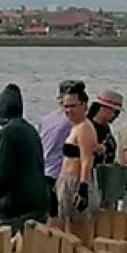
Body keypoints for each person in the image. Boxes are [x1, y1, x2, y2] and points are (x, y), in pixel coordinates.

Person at [0, 83, 49, 230]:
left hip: (18, 204)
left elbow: (5, 175)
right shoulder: (30, 130)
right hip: (40, 201)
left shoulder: (7, 132)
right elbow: (25, 161)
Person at [52, 84, 98, 243]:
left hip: (76, 181)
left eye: (73, 106)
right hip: (66, 180)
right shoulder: (76, 127)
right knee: (64, 224)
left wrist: (83, 190)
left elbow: (86, 160)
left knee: (78, 229)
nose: (68, 111)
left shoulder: (84, 127)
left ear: (84, 105)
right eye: (65, 107)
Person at [38, 80, 82, 217]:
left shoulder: (47, 119)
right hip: (60, 178)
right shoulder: (72, 122)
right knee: (63, 223)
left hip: (44, 173)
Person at [88, 89, 123, 165]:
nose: (117, 116)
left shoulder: (106, 128)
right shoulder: (87, 126)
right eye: (116, 112)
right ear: (103, 108)